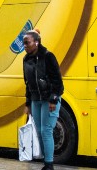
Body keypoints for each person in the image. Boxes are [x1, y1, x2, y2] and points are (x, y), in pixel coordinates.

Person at [21, 30, 63, 170]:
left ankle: (49, 165)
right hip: (35, 100)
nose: (25, 45)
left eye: (27, 42)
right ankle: (46, 161)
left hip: (48, 99)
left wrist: (53, 99)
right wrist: (28, 103)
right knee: (39, 131)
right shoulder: (26, 59)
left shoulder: (48, 56)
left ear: (36, 42)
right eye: (24, 43)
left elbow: (58, 81)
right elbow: (27, 83)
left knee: (46, 130)